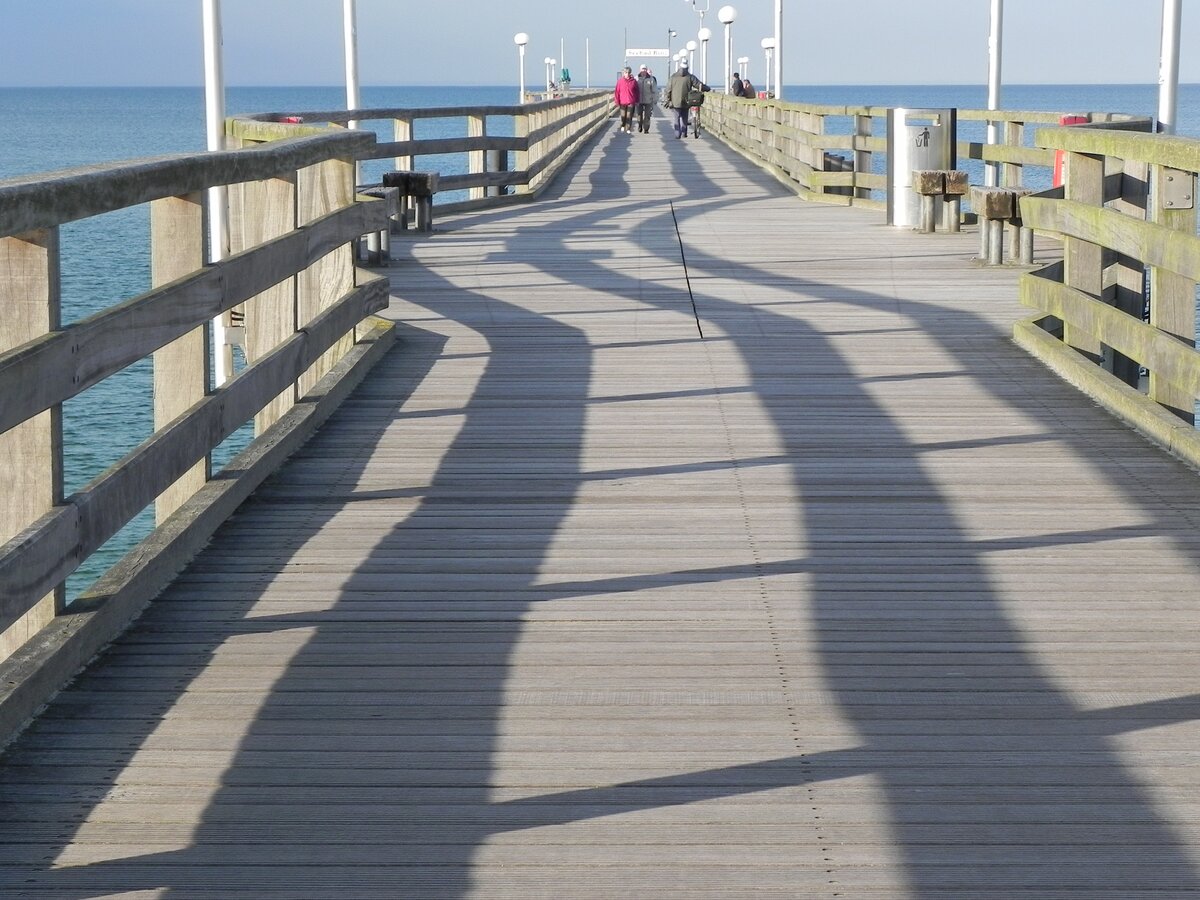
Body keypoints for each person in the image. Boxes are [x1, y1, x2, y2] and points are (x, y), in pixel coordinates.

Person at [666, 60, 708, 139]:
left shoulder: (673, 77)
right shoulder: (690, 76)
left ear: (679, 67)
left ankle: (677, 133)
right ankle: (684, 132)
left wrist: (668, 100)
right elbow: (698, 84)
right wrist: (707, 88)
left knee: (676, 117)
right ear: (687, 68)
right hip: (686, 100)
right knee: (685, 117)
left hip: (675, 101)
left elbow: (668, 89)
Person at [614, 66, 638, 134]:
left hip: (631, 101)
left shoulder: (633, 81)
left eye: (628, 72)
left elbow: (637, 91)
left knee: (629, 115)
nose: (627, 74)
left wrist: (636, 100)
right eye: (625, 72)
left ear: (630, 73)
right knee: (623, 116)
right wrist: (617, 101)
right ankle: (623, 125)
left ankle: (628, 128)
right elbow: (617, 92)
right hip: (622, 101)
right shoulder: (620, 81)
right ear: (623, 73)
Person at [636, 65, 658, 133]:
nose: (644, 70)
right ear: (640, 70)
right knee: (639, 114)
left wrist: (655, 99)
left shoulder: (651, 79)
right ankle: (640, 124)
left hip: (648, 100)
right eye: (642, 69)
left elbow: (654, 90)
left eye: (645, 69)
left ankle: (646, 129)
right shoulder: (636, 78)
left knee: (647, 115)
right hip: (639, 100)